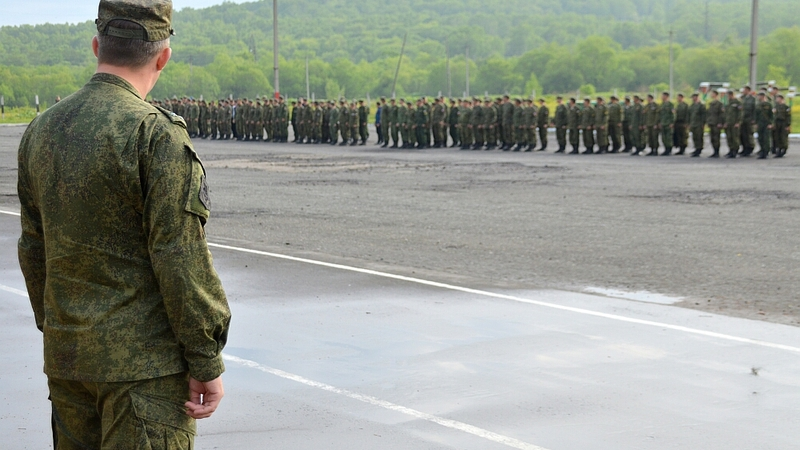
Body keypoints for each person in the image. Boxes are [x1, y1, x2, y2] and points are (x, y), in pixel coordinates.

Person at [17, 1, 231, 448]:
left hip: (69, 363)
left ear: (97, 46)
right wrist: (205, 359)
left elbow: (34, 248)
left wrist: (62, 331)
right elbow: (180, 258)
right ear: (163, 57)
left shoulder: (41, 130)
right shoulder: (155, 135)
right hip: (143, 373)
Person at [707, 90, 725, 158]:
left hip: (716, 123)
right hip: (712, 123)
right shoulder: (711, 103)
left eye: (712, 94)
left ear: (716, 94)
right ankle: (714, 151)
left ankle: (717, 152)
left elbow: (721, 114)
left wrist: (720, 122)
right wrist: (708, 122)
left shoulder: (719, 104)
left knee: (716, 138)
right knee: (712, 138)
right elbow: (709, 114)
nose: (711, 95)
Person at [755, 91, 773, 159]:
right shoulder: (757, 105)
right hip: (760, 123)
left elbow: (772, 115)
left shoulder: (769, 105)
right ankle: (762, 150)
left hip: (766, 123)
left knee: (766, 138)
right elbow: (756, 115)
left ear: (763, 96)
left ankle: (766, 151)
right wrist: (756, 123)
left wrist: (771, 123)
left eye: (759, 96)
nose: (758, 97)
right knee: (760, 138)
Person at [689, 93, 707, 157]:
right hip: (693, 123)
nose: (693, 98)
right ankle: (696, 148)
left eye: (694, 97)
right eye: (692, 97)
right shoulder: (692, 105)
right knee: (694, 137)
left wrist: (703, 123)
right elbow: (690, 115)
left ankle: (699, 149)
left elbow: (704, 115)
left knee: (699, 137)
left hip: (699, 124)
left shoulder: (701, 105)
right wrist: (689, 123)